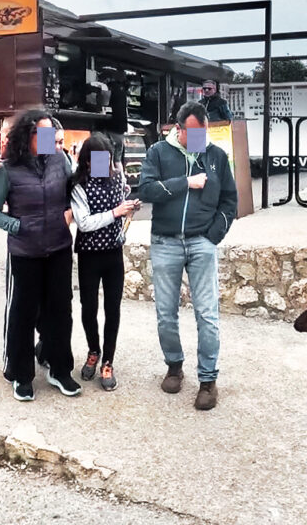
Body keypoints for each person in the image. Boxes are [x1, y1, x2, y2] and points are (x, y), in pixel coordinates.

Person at [138, 102, 238, 411]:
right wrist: (186, 183)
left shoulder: (216, 156)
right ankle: (174, 366)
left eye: (203, 133)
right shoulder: (157, 152)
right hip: (165, 242)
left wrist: (212, 237)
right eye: (193, 133)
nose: (200, 139)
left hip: (200, 243)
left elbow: (229, 201)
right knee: (166, 314)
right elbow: (145, 190)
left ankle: (208, 380)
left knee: (207, 315)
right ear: (177, 129)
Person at [0, 110, 79, 400]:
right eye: (44, 134)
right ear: (28, 136)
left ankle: (60, 370)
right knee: (22, 315)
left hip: (59, 249)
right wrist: (18, 226)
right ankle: (20, 374)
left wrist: (107, 171)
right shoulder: (6, 168)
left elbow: (79, 185)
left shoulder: (60, 161)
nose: (51, 139)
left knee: (60, 312)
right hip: (25, 253)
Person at [70, 133, 141, 391]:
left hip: (113, 254)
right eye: (99, 161)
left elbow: (120, 207)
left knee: (113, 309)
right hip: (89, 254)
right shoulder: (79, 186)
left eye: (108, 159)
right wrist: (115, 213)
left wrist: (129, 206)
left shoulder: (118, 178)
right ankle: (93, 350)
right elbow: (85, 223)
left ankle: (108, 361)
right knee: (88, 308)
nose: (106, 166)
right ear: (87, 162)